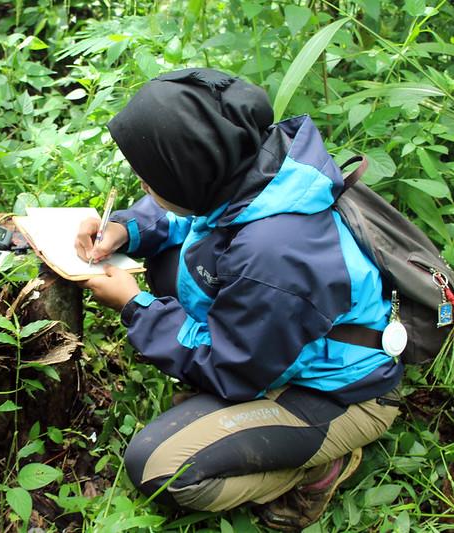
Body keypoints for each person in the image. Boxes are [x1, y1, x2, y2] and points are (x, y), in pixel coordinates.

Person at [74, 68, 402, 531]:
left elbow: (234, 369)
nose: (144, 185)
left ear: (191, 173)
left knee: (159, 468)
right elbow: (192, 217)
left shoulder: (274, 253)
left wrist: (137, 307)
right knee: (168, 260)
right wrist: (127, 229)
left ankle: (320, 469)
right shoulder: (251, 170)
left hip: (338, 392)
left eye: (152, 177)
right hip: (276, 344)